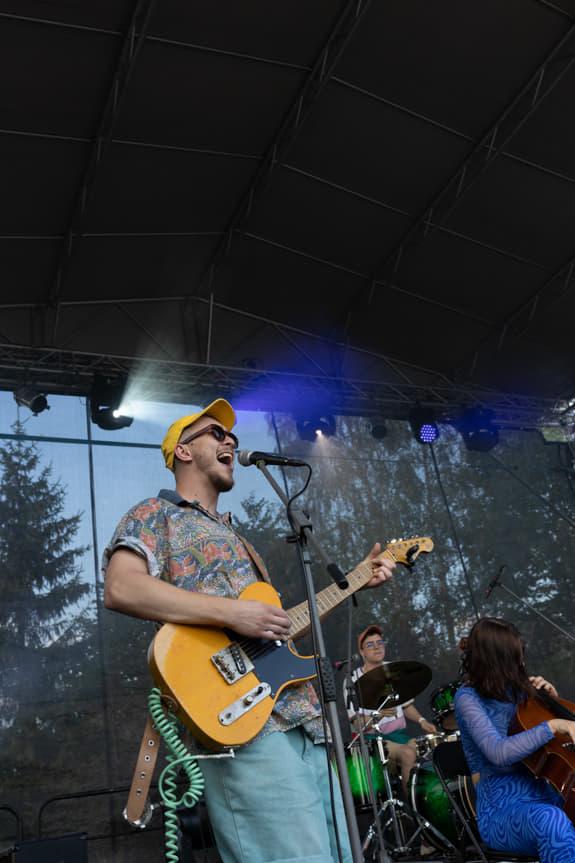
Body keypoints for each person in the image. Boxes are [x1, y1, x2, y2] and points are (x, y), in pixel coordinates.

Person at [103, 398, 396, 863]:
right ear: (183, 450)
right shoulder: (155, 513)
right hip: (243, 727)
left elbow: (276, 632)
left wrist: (358, 577)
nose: (231, 440)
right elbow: (121, 587)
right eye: (217, 434)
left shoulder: (238, 537)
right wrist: (232, 613)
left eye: (233, 436)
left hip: (307, 722)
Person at [455, 617, 575, 863]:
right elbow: (498, 753)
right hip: (503, 811)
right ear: (497, 660)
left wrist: (552, 702)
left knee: (555, 816)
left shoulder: (523, 693)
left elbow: (554, 750)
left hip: (550, 796)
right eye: (515, 657)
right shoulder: (468, 698)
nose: (522, 663)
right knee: (552, 821)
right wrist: (553, 724)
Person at [345, 624, 437, 793]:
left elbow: (406, 706)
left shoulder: (394, 670)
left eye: (380, 642)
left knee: (430, 747)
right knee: (408, 754)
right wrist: (378, 715)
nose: (377, 647)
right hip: (374, 741)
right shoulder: (352, 679)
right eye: (370, 644)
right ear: (362, 652)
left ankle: (428, 800)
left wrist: (422, 721)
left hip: (399, 736)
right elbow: (356, 723)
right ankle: (412, 806)